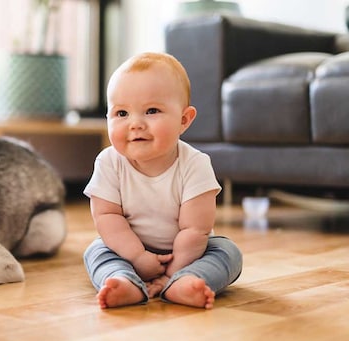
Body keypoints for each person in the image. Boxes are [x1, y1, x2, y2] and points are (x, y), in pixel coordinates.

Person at [82, 52, 242, 310]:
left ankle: (185, 281)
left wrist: (171, 272)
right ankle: (123, 281)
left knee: (228, 252)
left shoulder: (195, 164)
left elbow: (195, 230)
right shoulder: (109, 162)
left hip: (190, 253)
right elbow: (107, 217)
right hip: (127, 248)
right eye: (121, 113)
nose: (135, 124)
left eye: (151, 111)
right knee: (96, 251)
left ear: (184, 120)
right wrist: (137, 256)